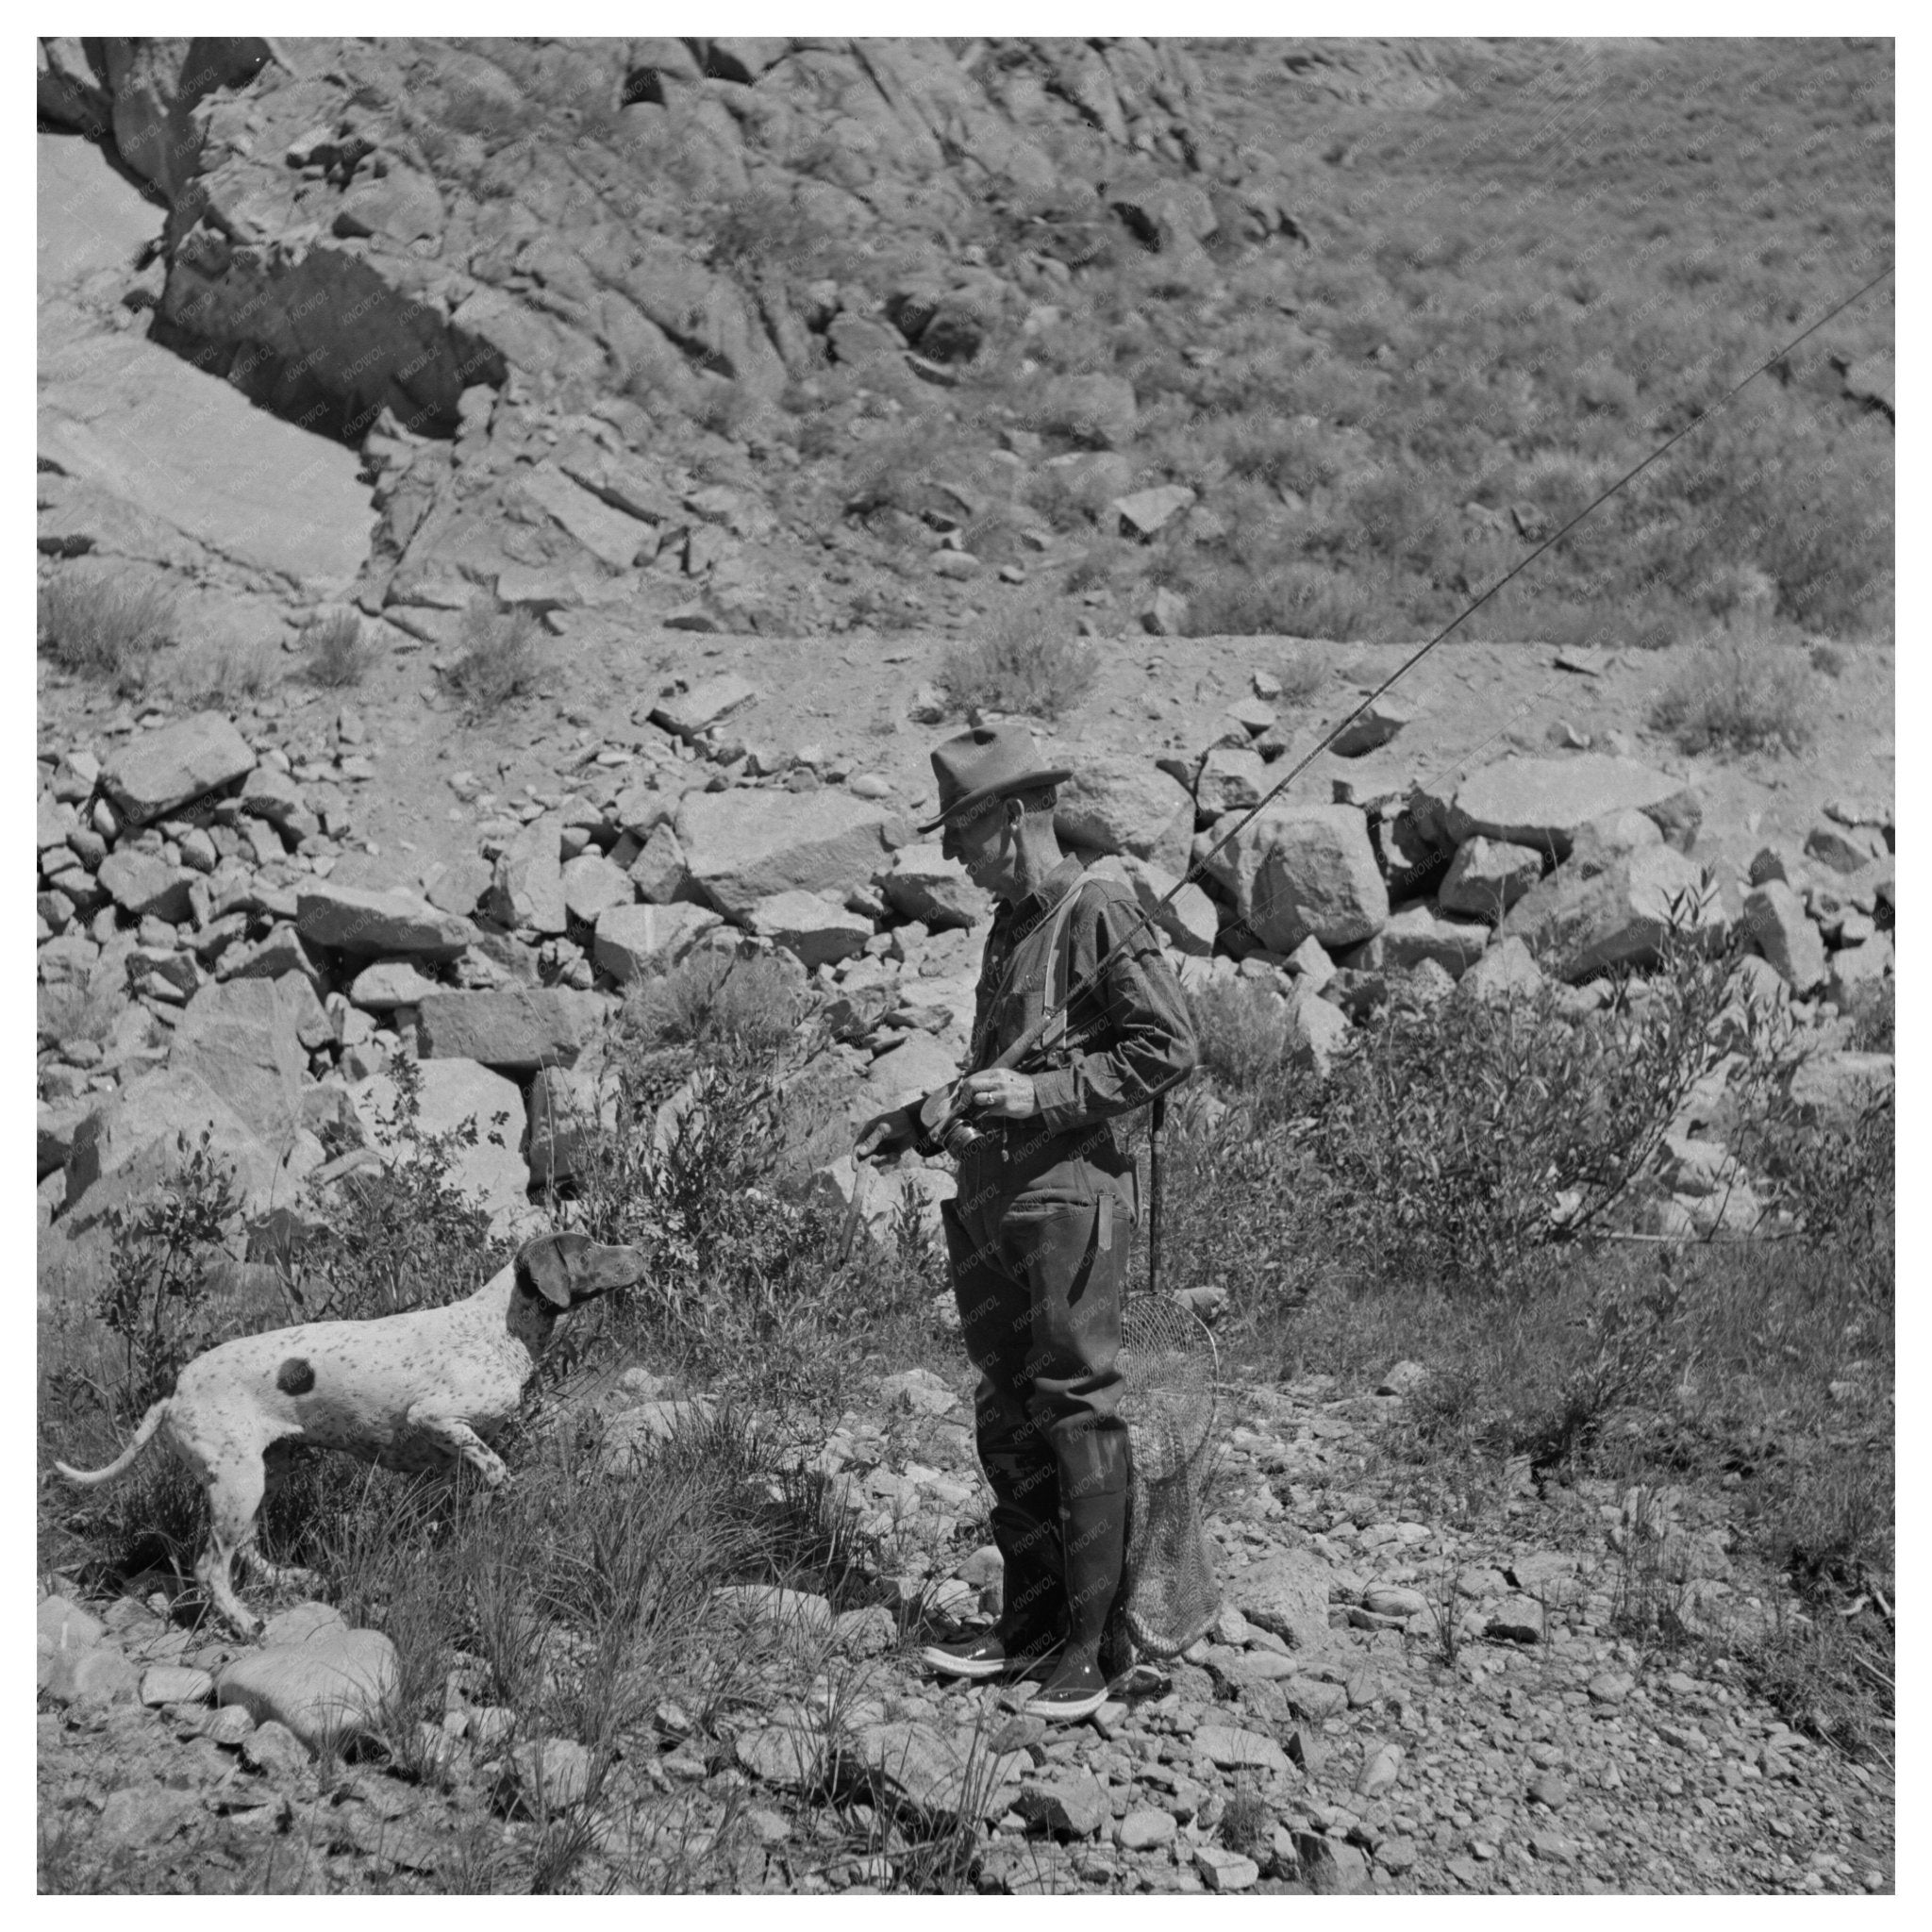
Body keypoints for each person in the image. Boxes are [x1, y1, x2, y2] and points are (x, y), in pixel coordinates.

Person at [856, 724, 1198, 1722]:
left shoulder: (1099, 905)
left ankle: (1094, 1651)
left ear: (1011, 816)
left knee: (1073, 1406)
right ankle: (1030, 1624)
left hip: (1068, 1200)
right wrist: (927, 1117)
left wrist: (1043, 1098)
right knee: (1006, 1409)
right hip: (993, 1199)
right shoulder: (1013, 920)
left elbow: (1167, 1045)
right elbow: (1004, 1064)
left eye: (960, 828)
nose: (951, 853)